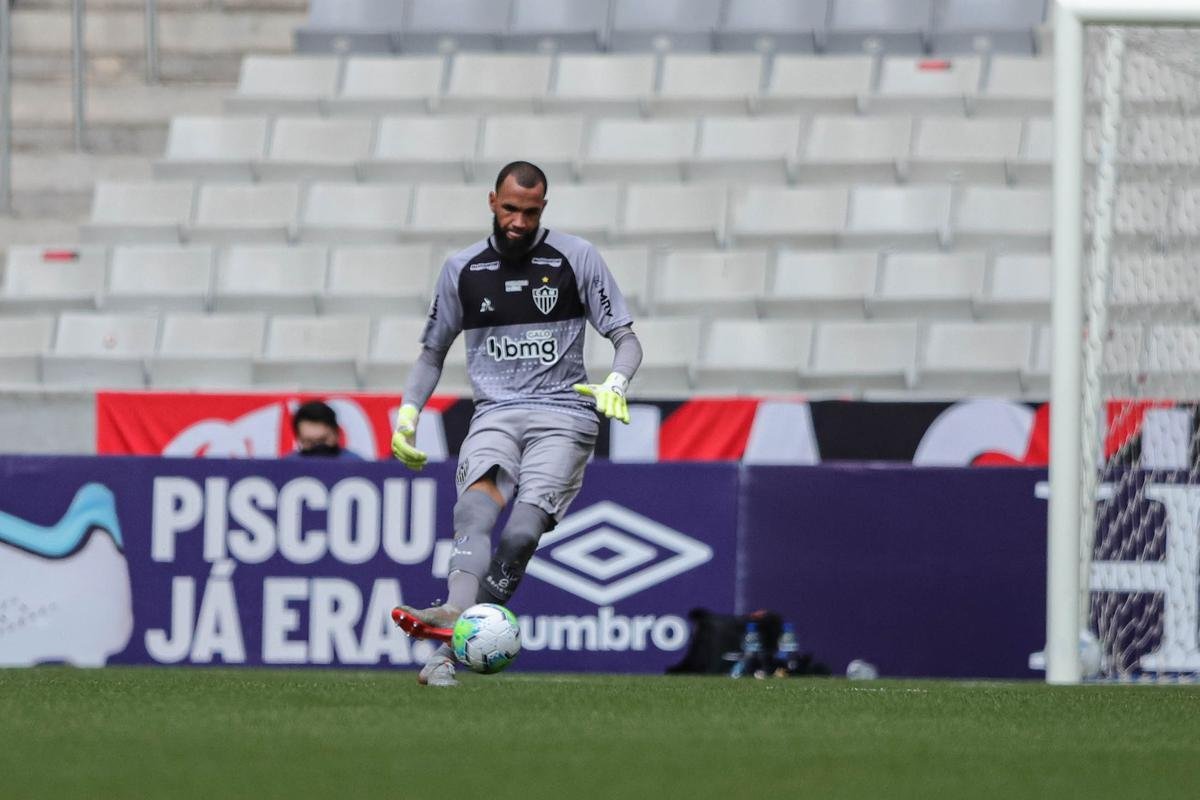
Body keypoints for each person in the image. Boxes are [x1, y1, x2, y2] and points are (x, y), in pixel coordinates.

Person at [390, 161, 642, 686]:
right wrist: (408, 414)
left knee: (521, 535)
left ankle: (449, 641)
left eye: (530, 212)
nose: (519, 222)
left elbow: (627, 338)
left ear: (542, 209)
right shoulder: (462, 268)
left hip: (564, 416)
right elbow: (431, 353)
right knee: (473, 510)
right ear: (491, 202)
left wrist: (617, 381)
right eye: (510, 209)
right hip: (496, 413)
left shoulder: (576, 257)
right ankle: (457, 620)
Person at [288, 400, 363, 459]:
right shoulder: (286, 468)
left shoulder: (357, 465)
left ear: (336, 434)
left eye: (322, 440)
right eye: (309, 442)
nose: (317, 447)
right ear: (298, 438)